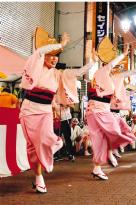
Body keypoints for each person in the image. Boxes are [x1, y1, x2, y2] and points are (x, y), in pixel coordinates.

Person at [19, 28, 97, 193]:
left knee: (46, 139)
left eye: (57, 55)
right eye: (51, 55)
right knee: (32, 147)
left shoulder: (58, 74)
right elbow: (39, 51)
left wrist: (92, 62)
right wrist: (60, 44)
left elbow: (78, 72)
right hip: (29, 110)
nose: (54, 59)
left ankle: (54, 146)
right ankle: (39, 178)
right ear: (44, 56)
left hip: (45, 111)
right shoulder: (36, 67)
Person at [87, 42, 135, 180]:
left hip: (95, 111)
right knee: (115, 132)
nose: (115, 69)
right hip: (100, 111)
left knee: (100, 139)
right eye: (115, 67)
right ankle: (112, 149)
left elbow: (122, 74)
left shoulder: (105, 77)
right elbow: (110, 65)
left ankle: (97, 168)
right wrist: (124, 54)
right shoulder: (102, 72)